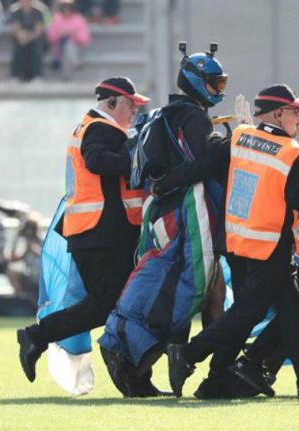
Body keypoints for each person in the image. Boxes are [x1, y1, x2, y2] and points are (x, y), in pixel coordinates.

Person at [165, 84, 299, 400]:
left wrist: (167, 182)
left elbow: (209, 158)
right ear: (280, 113)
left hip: (239, 242)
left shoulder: (242, 136)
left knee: (294, 308)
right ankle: (189, 355)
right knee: (247, 315)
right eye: (297, 112)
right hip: (270, 245)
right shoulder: (291, 151)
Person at [95, 43, 229, 398]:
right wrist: (230, 145)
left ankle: (208, 371)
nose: (219, 91)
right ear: (196, 82)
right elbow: (203, 164)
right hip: (186, 206)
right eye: (215, 84)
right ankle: (151, 359)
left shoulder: (164, 113)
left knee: (202, 287)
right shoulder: (193, 116)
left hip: (157, 210)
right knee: (191, 285)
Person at [16, 77, 149, 386]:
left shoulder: (91, 126)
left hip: (97, 232)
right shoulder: (100, 128)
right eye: (131, 104)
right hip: (101, 233)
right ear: (111, 103)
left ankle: (135, 378)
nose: (134, 111)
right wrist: (137, 163)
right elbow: (97, 160)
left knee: (120, 306)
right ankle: (37, 335)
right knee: (109, 305)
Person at [46, 0, 90, 78]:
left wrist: (73, 35)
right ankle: (75, 62)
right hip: (58, 44)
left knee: (68, 44)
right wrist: (61, 34)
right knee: (66, 45)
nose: (67, 11)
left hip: (75, 45)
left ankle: (65, 67)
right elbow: (51, 36)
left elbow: (84, 37)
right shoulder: (56, 18)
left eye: (69, 9)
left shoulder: (78, 19)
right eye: (65, 9)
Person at [7, 0, 46, 82]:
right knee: (18, 47)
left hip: (34, 38)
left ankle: (37, 76)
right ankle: (15, 76)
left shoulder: (39, 10)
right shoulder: (14, 10)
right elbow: (15, 28)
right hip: (20, 38)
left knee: (35, 47)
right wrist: (21, 36)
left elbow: (38, 29)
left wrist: (29, 37)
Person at [6, 213, 42, 302]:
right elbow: (12, 259)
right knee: (12, 272)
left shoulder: (41, 240)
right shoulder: (23, 241)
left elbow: (44, 256)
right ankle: (22, 298)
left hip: (41, 274)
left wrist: (33, 248)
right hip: (28, 272)